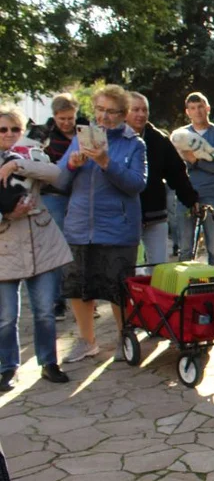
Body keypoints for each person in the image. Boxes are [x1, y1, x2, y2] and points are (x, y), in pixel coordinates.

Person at [56, 84, 147, 364]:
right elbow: (58, 181)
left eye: (112, 112)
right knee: (78, 287)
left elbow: (136, 184)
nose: (105, 117)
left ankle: (124, 338)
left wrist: (107, 162)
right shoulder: (79, 138)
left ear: (124, 114)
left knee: (118, 289)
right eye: (100, 110)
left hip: (117, 229)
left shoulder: (134, 144)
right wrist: (71, 164)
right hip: (80, 226)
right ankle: (87, 341)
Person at [0, 105, 71, 388]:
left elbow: (56, 174)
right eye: (2, 129)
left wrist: (16, 164)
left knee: (44, 311)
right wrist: (7, 215)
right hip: (5, 246)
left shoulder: (31, 154)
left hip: (41, 244)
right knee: (5, 317)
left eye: (15, 129)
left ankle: (48, 363)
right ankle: (8, 367)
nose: (9, 134)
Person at [32, 93, 87, 319]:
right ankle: (58, 301)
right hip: (53, 195)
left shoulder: (85, 132)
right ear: (54, 116)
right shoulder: (43, 135)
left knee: (78, 249)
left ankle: (82, 300)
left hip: (80, 195)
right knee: (58, 248)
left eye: (70, 118)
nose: (66, 123)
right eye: (61, 118)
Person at [127, 93, 199, 266]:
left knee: (158, 267)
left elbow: (177, 173)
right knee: (128, 266)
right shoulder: (115, 139)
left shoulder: (158, 140)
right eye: (135, 109)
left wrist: (191, 199)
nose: (141, 114)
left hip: (155, 213)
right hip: (125, 215)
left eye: (144, 110)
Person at [176, 92, 214, 266]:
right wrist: (204, 160)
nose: (197, 111)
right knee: (185, 247)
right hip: (185, 194)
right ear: (187, 112)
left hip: (211, 193)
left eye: (200, 107)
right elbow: (176, 168)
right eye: (193, 108)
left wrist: (193, 160)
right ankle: (185, 285)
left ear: (207, 109)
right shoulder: (179, 136)